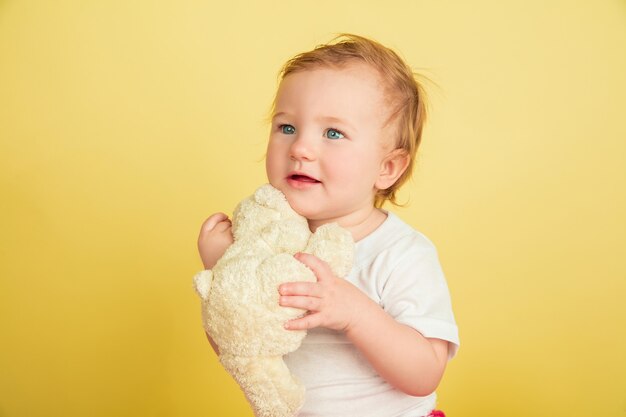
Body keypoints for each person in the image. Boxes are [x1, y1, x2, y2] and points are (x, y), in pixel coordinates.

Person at [197, 34, 459, 417]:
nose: (300, 148)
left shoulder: (400, 253)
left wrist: (356, 313)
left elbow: (424, 374)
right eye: (286, 127)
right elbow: (239, 350)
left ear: (387, 168)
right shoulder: (262, 244)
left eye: (333, 133)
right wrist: (227, 274)